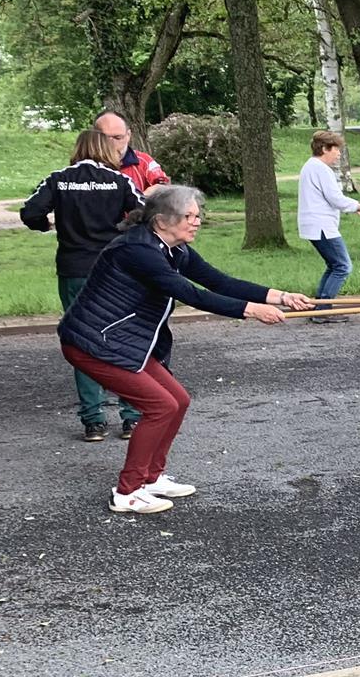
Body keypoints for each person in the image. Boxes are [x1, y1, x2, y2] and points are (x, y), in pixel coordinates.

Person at [56, 186, 312, 513]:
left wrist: (280, 296)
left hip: (121, 342)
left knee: (178, 400)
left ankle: (151, 478)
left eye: (197, 215)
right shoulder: (137, 251)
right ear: (161, 221)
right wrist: (251, 310)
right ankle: (127, 492)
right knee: (161, 406)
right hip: (92, 343)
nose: (197, 222)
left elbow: (218, 282)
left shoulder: (174, 249)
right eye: (188, 216)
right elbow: (191, 294)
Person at [20, 128, 146, 442]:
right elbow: (144, 212)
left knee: (83, 341)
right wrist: (122, 229)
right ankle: (131, 417)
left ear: (79, 148)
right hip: (114, 270)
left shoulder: (59, 179)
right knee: (121, 336)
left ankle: (93, 420)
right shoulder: (118, 180)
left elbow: (30, 211)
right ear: (106, 148)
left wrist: (43, 224)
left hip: (74, 268)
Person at [297, 130, 360, 306]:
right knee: (343, 266)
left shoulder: (310, 166)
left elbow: (331, 200)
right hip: (321, 226)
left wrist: (355, 208)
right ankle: (324, 308)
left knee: (334, 265)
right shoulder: (321, 169)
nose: (339, 153)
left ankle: (320, 305)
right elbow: (335, 198)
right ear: (325, 148)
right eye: (336, 149)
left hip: (315, 224)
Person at [92, 110, 170, 196]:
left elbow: (163, 187)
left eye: (117, 138)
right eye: (104, 138)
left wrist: (140, 198)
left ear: (128, 135)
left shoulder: (143, 161)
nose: (111, 144)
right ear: (93, 137)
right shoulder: (83, 166)